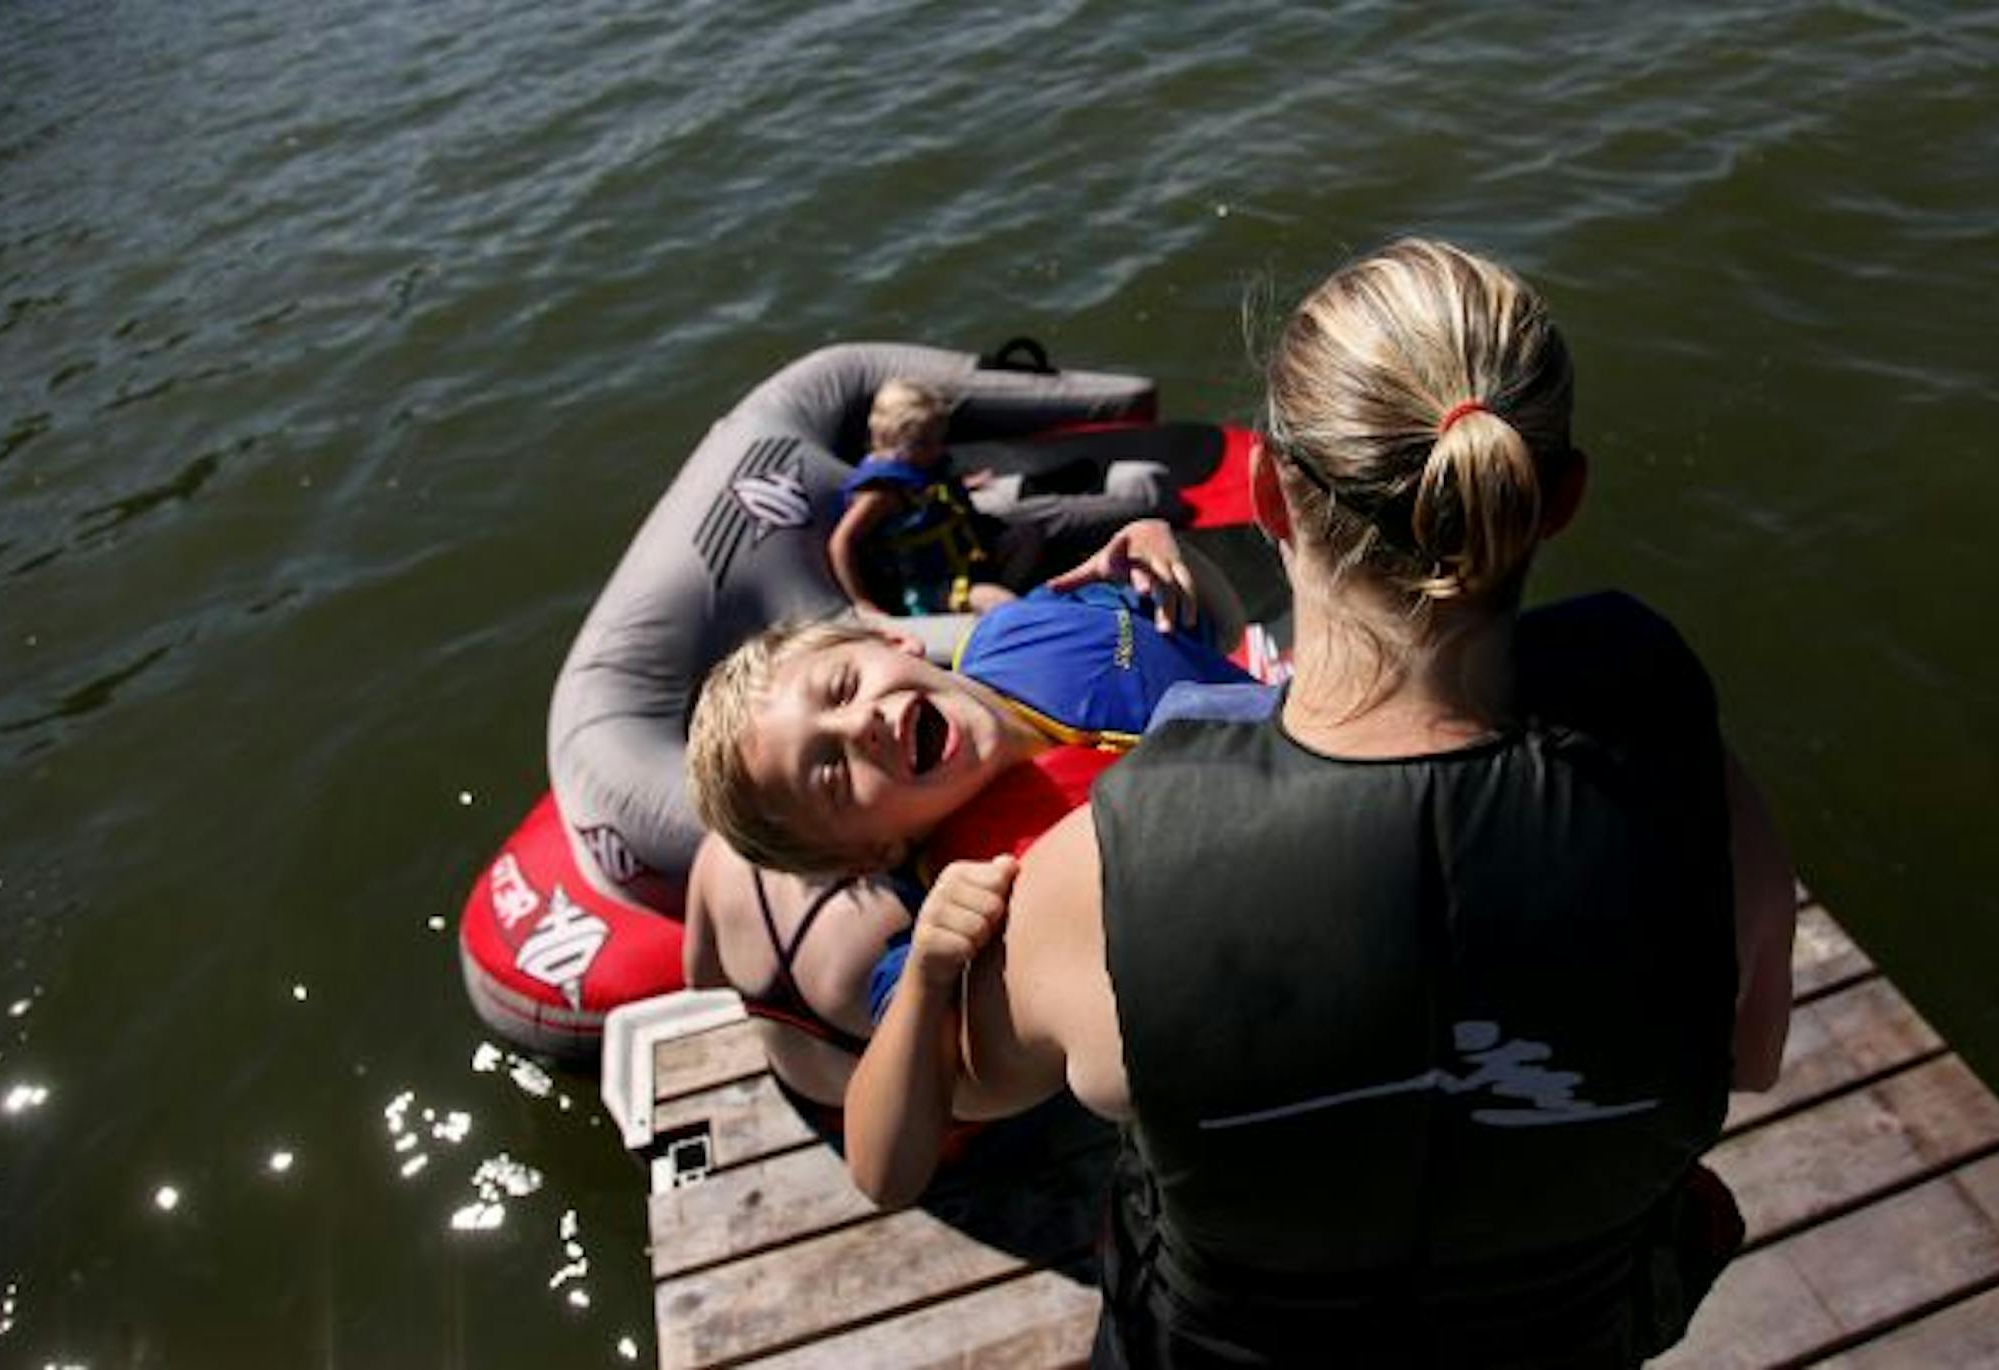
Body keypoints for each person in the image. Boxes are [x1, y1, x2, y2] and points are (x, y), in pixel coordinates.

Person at [846, 238, 1798, 1367]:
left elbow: (910, 1133)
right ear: (1561, 499)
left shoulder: (1100, 876)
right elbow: (1745, 1059)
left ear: (1265, 496)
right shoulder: (1697, 800)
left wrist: (939, 954)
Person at [682, 524, 1252, 1109]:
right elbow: (917, 1131)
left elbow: (1221, 625)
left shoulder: (1028, 629)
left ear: (894, 642)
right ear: (874, 852)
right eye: (831, 774)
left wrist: (1170, 556)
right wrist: (929, 977)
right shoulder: (966, 907)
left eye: (845, 686)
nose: (860, 727)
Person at [831, 378, 1185, 618]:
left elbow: (929, 495)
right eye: (927, 443)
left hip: (963, 563)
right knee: (993, 600)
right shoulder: (880, 493)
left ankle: (1013, 587)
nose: (938, 450)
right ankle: (1027, 620)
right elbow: (841, 543)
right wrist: (863, 604)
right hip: (928, 588)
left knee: (1028, 534)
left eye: (939, 439)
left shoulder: (916, 467)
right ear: (896, 440)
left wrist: (965, 487)